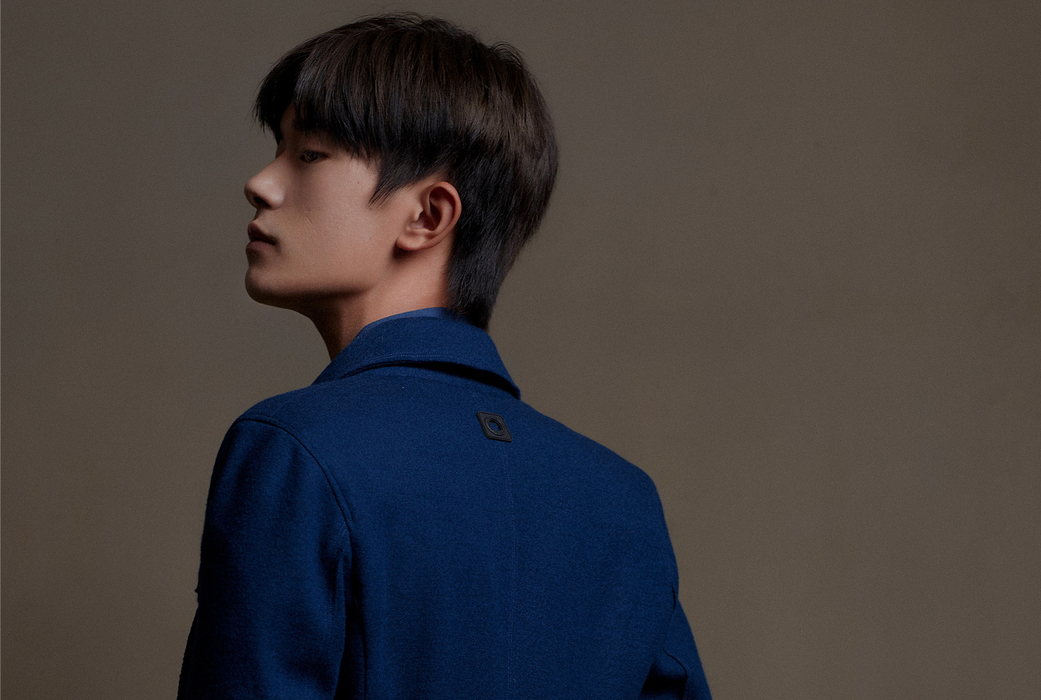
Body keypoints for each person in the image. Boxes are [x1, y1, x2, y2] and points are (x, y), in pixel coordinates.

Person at [177, 13, 710, 699]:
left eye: (308, 155)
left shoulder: (295, 451)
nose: (261, 182)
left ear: (428, 215)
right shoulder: (623, 502)